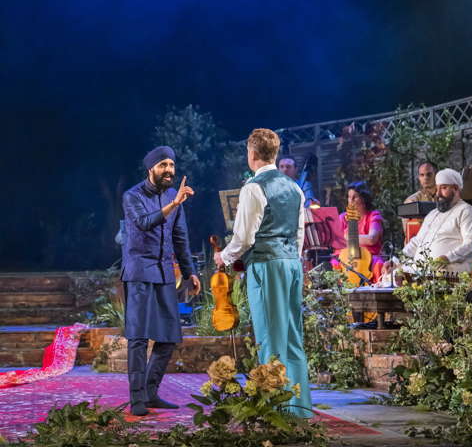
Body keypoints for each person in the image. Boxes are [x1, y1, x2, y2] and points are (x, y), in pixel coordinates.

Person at [214, 128, 312, 418]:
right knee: (292, 334)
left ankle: (276, 409)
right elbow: (299, 233)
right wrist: (292, 262)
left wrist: (224, 257)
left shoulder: (253, 187)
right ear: (275, 154)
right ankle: (299, 407)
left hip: (267, 265)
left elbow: (244, 237)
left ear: (252, 154)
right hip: (291, 265)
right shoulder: (294, 188)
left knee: (269, 333)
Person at [121, 145, 201, 416]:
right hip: (140, 272)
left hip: (165, 273)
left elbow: (181, 238)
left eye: (172, 165)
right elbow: (144, 223)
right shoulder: (132, 196)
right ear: (151, 169)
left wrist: (191, 272)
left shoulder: (172, 196)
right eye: (163, 165)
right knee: (139, 337)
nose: (169, 170)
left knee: (168, 337)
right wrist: (174, 204)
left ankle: (150, 391)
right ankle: (137, 399)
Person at [385, 168, 472, 276]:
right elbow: (416, 242)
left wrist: (447, 258)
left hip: (449, 273)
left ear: (456, 188)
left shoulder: (466, 211)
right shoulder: (432, 214)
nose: (438, 193)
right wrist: (396, 260)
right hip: (421, 273)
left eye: (443, 188)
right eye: (437, 188)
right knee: (393, 274)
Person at [333, 181, 385, 282]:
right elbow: (336, 241)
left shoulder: (373, 216)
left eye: (355, 197)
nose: (351, 201)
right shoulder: (343, 218)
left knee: (377, 263)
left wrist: (348, 237)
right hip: (345, 260)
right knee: (333, 263)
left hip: (369, 259)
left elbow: (372, 239)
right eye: (349, 197)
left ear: (364, 199)